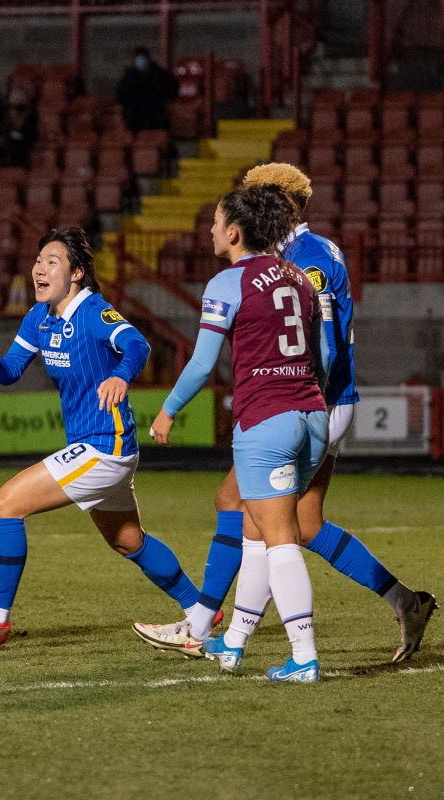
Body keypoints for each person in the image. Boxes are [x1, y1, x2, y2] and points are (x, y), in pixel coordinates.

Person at [136, 163, 437, 664]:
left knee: (240, 505)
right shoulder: (297, 258)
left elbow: (326, 345)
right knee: (303, 524)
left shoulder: (306, 258)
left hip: (312, 400)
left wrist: (295, 396)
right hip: (311, 402)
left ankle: (206, 625)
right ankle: (403, 600)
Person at [0, 227, 203, 647]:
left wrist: (120, 374)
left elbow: (137, 344)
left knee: (7, 503)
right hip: (97, 446)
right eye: (38, 261)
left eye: (52, 261)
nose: (39, 269)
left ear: (77, 273)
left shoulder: (94, 312)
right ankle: (201, 611)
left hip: (105, 445)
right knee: (127, 540)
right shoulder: (40, 317)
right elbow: (10, 371)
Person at [147, 185, 330, 682]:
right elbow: (325, 357)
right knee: (253, 535)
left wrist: (167, 410)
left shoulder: (228, 282)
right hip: (313, 415)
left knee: (279, 540)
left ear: (234, 231)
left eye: (214, 221)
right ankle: (232, 643)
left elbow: (203, 362)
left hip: (266, 419)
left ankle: (304, 656)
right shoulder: (301, 278)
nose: (209, 230)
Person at [114, 46, 179, 133]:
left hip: (155, 115)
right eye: (138, 58)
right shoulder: (129, 76)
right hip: (135, 117)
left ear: (148, 58)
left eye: (143, 58)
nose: (141, 61)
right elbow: (121, 94)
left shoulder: (159, 73)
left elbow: (172, 88)